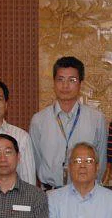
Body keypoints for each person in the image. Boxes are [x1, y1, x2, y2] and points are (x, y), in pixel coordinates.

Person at [30, 56, 108, 189]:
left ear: (80, 84)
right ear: (54, 83)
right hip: (50, 193)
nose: (65, 86)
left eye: (72, 80)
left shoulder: (96, 119)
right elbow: (36, 161)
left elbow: (101, 160)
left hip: (85, 192)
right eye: (60, 79)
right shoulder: (39, 120)